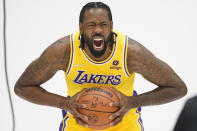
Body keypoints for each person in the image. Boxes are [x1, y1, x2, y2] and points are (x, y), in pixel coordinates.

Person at [14, 2, 187, 131]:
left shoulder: (131, 53)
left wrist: (132, 102)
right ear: (81, 28)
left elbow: (177, 87)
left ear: (111, 26)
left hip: (124, 125)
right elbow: (22, 87)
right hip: (78, 124)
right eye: (91, 25)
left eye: (103, 25)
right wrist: (65, 103)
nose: (98, 30)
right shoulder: (63, 51)